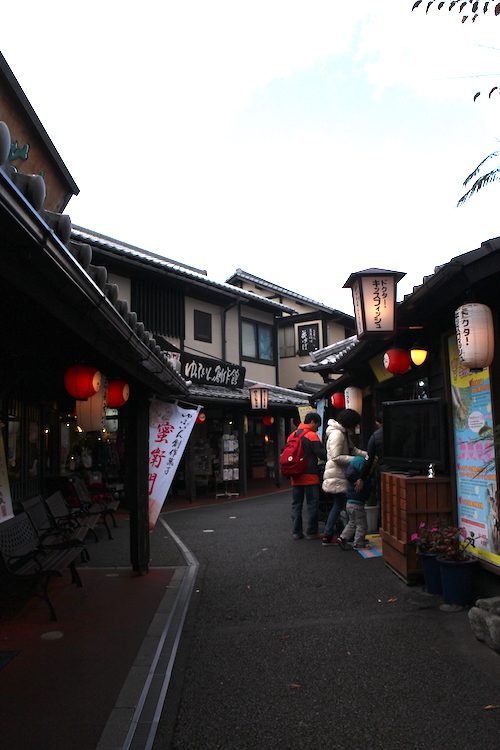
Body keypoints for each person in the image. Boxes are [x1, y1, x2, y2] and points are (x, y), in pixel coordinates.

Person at [321, 409, 367, 546]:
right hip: (338, 474)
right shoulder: (338, 434)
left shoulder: (342, 433)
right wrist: (356, 460)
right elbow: (336, 457)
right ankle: (344, 535)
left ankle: (332, 535)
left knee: (340, 505)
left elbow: (353, 450)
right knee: (345, 505)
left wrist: (367, 455)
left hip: (337, 474)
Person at [289, 412, 327, 540]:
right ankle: (311, 532)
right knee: (312, 504)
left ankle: (296, 532)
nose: (317, 429)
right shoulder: (312, 435)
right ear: (312, 422)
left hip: (295, 475)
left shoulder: (292, 435)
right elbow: (322, 454)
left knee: (296, 504)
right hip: (310, 475)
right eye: (317, 425)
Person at [338, 455, 371, 549]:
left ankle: (343, 537)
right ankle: (359, 543)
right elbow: (369, 486)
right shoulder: (361, 480)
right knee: (362, 524)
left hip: (349, 503)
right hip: (358, 504)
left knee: (352, 522)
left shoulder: (351, 477)